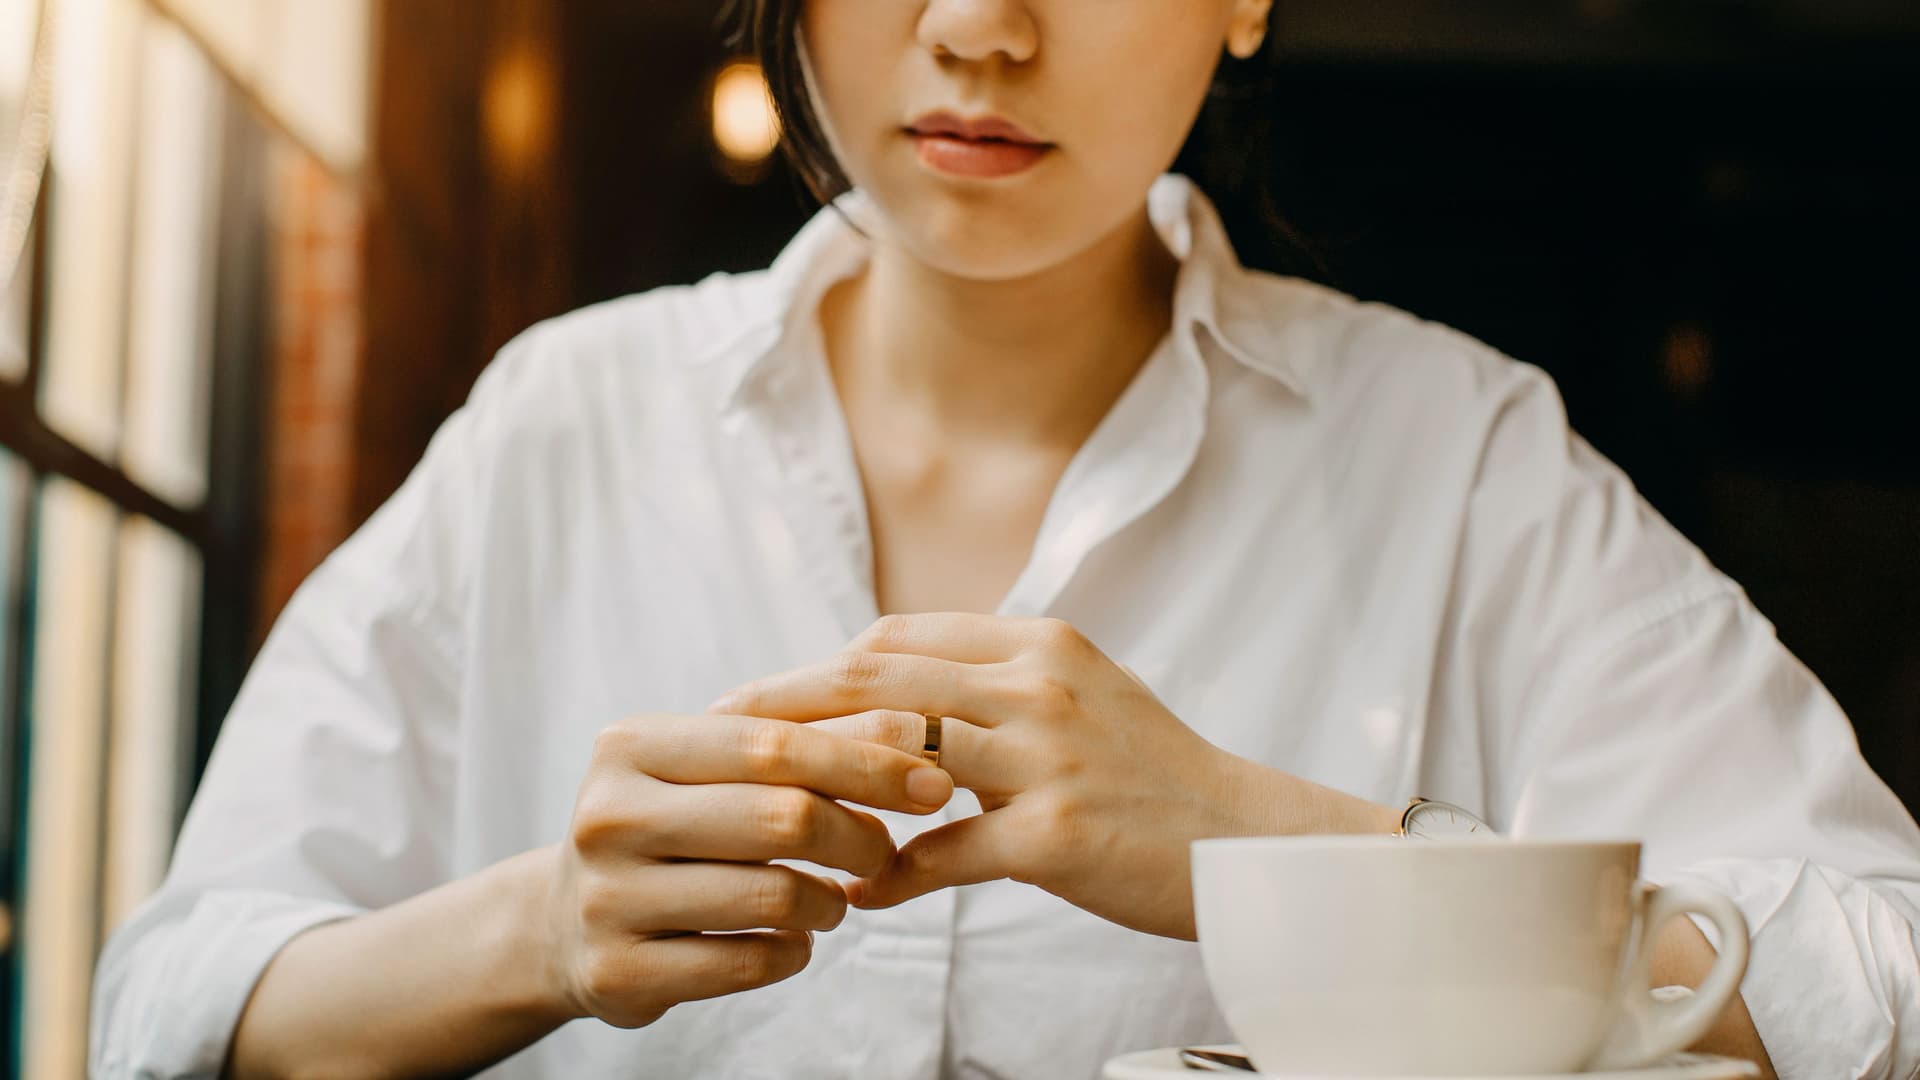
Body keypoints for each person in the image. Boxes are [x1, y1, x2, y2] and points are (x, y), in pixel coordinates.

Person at [91, 1, 1920, 1077]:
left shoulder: (1459, 458)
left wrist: (1267, 843)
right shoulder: (563, 425)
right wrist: (545, 931)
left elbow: (1885, 966)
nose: (979, 24)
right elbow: (170, 1005)